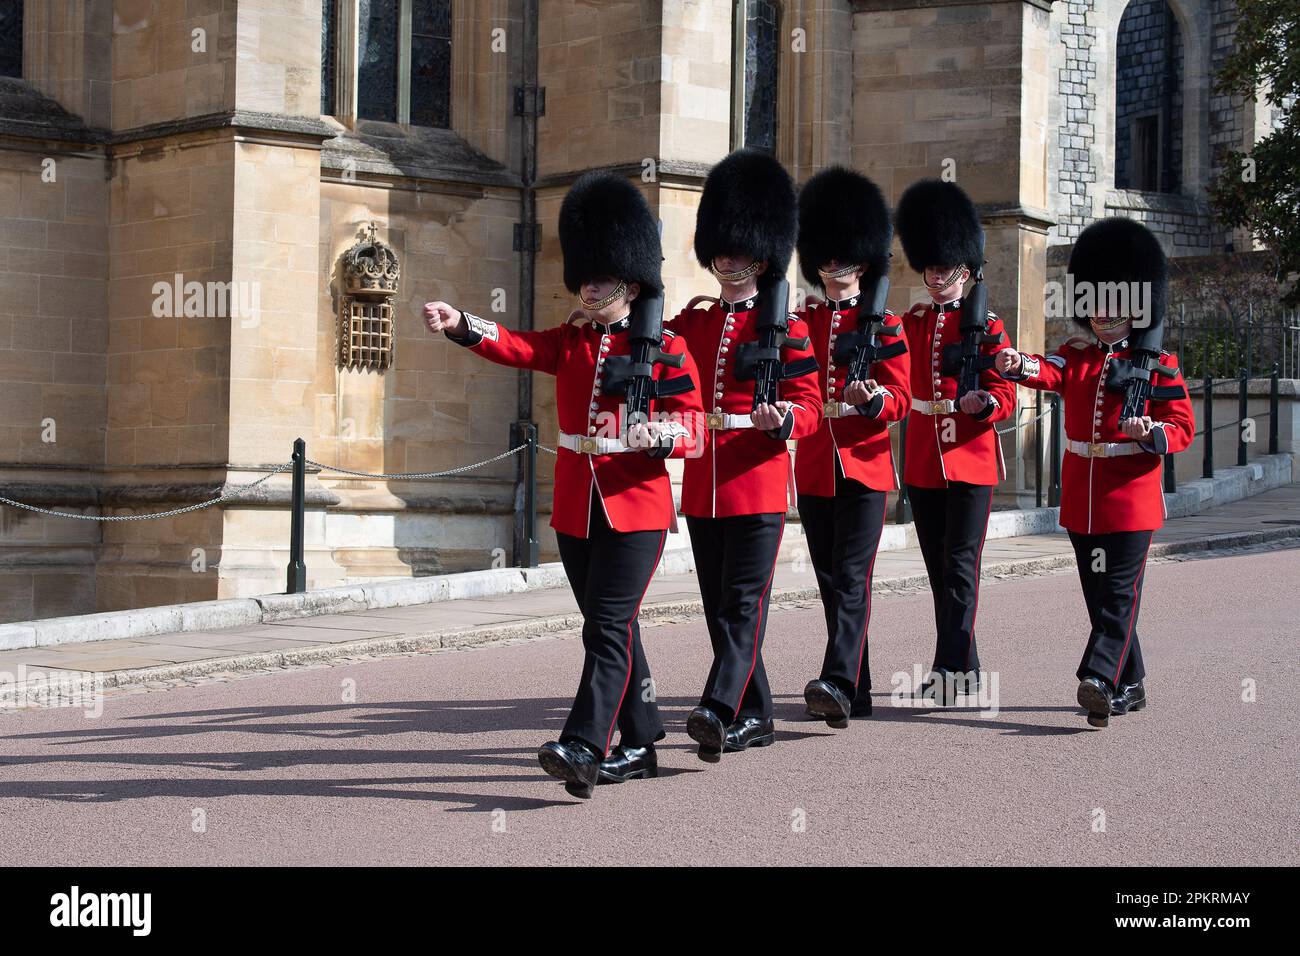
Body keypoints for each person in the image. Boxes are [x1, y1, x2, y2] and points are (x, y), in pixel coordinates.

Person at [422, 171, 704, 796]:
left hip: (637, 506)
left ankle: (583, 745)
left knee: (604, 626)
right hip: (579, 507)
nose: (587, 287)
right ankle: (640, 737)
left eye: (599, 279)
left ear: (629, 283)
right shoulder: (573, 340)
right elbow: (516, 346)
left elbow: (694, 429)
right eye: (584, 278)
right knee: (614, 625)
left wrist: (658, 435)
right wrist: (461, 321)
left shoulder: (667, 347)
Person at [994, 217, 1194, 728]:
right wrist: (1018, 365)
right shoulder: (1079, 355)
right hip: (1082, 497)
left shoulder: (1159, 363)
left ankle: (1100, 678)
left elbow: (1182, 427)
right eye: (1096, 304)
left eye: (1114, 305)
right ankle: (1132, 682)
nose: (1103, 315)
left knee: (1119, 594)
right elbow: (1051, 371)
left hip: (1130, 497)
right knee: (1101, 595)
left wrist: (1150, 434)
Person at [667, 148, 823, 761]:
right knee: (717, 604)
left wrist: (784, 418)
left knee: (741, 604)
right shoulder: (696, 321)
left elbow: (809, 406)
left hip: (757, 479)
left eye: (739, 253)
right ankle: (755, 714)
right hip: (704, 483)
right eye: (721, 252)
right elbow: (651, 345)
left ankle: (716, 704)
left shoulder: (789, 329)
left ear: (763, 254)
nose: (728, 263)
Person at [792, 166, 910, 726]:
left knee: (853, 574)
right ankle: (854, 691)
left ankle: (837, 677)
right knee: (829, 579)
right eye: (826, 259)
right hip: (816, 463)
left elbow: (902, 399)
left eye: (843, 260)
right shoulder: (802, 322)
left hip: (864, 465)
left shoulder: (885, 325)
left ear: (862, 263)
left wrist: (872, 401)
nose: (833, 269)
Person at [894, 179, 1017, 706]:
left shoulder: (987, 325)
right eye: (932, 268)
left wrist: (986, 405)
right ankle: (964, 665)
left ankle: (949, 669)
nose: (938, 277)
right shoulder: (913, 322)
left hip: (969, 458)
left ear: (965, 271)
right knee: (937, 570)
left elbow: (1005, 393)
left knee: (960, 568)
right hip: (923, 459)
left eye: (947, 269)